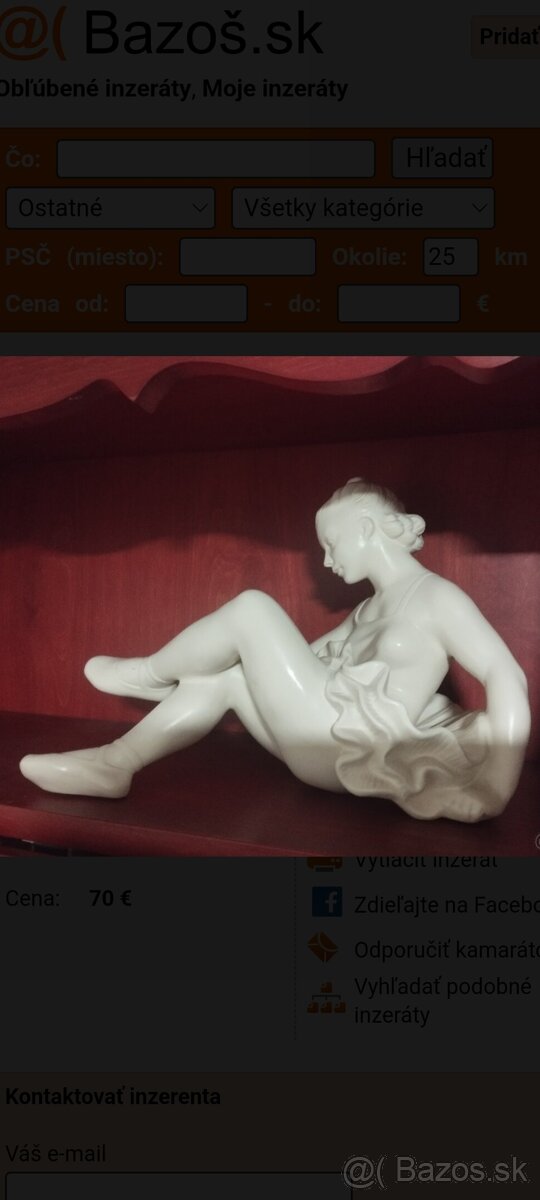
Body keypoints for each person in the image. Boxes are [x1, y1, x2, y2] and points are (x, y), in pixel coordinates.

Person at [19, 479, 530, 822]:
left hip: (344, 745)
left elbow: (505, 674)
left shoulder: (437, 597)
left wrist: (493, 787)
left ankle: (151, 674)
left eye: (331, 544)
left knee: (253, 608)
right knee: (225, 676)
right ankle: (114, 764)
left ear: (366, 529)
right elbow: (294, 665)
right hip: (320, 738)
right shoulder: (365, 611)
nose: (327, 561)